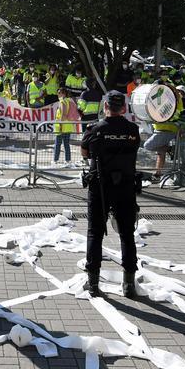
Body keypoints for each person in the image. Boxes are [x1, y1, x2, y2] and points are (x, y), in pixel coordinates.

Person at [81, 90, 140, 298]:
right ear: (123, 108)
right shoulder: (133, 129)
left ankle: (93, 283)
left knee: (95, 233)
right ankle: (129, 284)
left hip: (100, 187)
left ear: (106, 106)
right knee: (126, 234)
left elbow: (85, 152)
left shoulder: (94, 129)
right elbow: (135, 150)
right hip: (125, 186)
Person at [52, 87, 79, 164]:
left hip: (62, 126)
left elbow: (63, 114)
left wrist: (60, 125)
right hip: (68, 125)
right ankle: (68, 160)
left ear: (63, 94)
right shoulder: (68, 101)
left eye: (59, 93)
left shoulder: (62, 102)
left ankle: (55, 160)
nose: (58, 94)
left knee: (58, 144)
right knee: (66, 144)